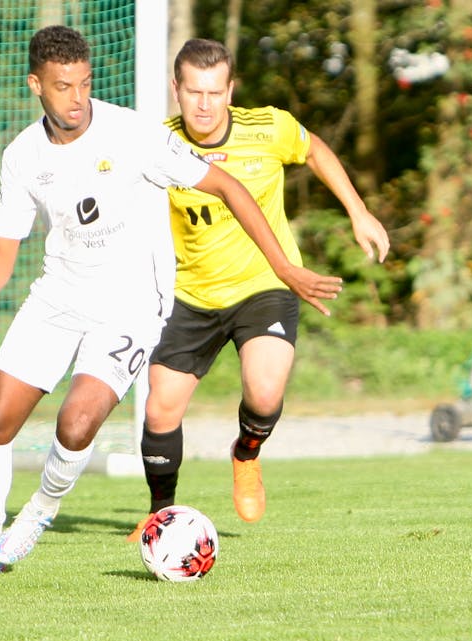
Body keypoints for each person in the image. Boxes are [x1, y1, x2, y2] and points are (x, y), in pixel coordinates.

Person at [0, 26, 345, 575]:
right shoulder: (21, 156)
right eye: (63, 87)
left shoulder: (132, 133)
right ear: (36, 84)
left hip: (130, 304)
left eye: (84, 84)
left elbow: (227, 186)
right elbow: (1, 256)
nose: (77, 98)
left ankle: (39, 512)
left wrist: (283, 265)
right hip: (57, 297)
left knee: (76, 424)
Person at [127, 38, 390, 541]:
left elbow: (314, 149)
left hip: (265, 283)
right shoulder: (155, 144)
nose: (204, 105)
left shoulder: (268, 126)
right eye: (193, 92)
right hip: (189, 294)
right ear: (175, 89)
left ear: (231, 90)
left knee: (266, 391)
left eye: (215, 92)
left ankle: (246, 453)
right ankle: (161, 517)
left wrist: (358, 211)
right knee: (161, 406)